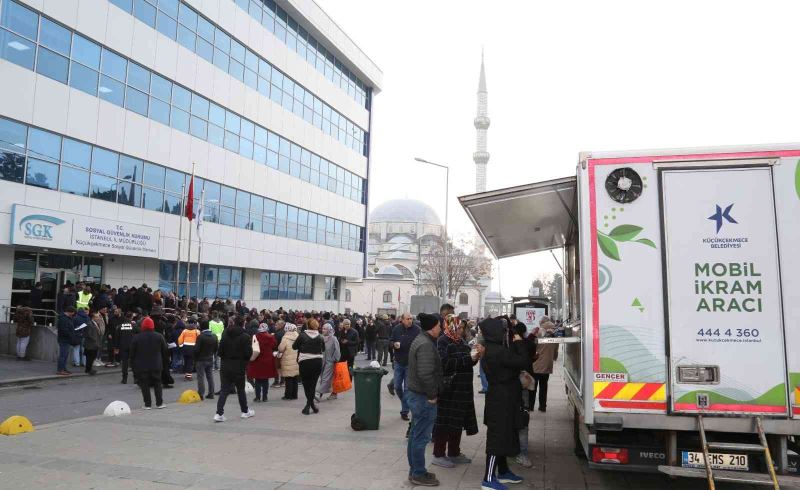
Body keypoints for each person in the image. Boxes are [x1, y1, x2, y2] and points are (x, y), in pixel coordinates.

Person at [480, 316, 528, 489]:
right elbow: (523, 361)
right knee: (496, 438)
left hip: (502, 397)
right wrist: (519, 342)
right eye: (502, 331)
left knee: (504, 435)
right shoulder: (497, 351)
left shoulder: (493, 348)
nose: (505, 333)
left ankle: (504, 471)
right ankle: (488, 479)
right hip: (500, 400)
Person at [431, 314, 483, 468]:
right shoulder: (443, 341)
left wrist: (474, 358)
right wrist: (467, 359)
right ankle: (438, 454)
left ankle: (454, 452)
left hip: (463, 390)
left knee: (457, 422)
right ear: (450, 325)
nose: (461, 330)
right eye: (458, 327)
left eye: (462, 327)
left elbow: (466, 362)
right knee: (444, 423)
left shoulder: (460, 341)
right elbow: (444, 363)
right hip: (450, 390)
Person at [406, 313, 444, 487]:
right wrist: (432, 396)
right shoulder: (426, 344)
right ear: (432, 327)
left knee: (415, 435)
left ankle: (415, 470)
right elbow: (425, 373)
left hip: (417, 394)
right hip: (423, 397)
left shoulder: (421, 339)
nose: (441, 329)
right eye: (439, 326)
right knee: (421, 437)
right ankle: (418, 473)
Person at [214, 317, 255, 422]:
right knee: (240, 390)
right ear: (243, 324)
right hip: (239, 366)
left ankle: (219, 413)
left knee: (224, 390)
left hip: (225, 365)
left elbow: (219, 351)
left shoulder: (225, 334)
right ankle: (245, 411)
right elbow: (248, 353)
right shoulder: (245, 336)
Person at [129, 316, 168, 410]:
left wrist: (133, 364)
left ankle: (147, 404)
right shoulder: (159, 336)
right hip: (156, 364)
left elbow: (132, 353)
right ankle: (159, 403)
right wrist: (164, 362)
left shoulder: (137, 337)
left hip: (141, 365)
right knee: (157, 383)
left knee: (144, 385)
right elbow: (165, 351)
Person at [389, 312, 420, 420]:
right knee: (397, 386)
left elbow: (421, 344)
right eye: (408, 319)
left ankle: (404, 411)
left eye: (411, 318)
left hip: (410, 364)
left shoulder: (417, 330)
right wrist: (394, 344)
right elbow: (391, 341)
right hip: (398, 362)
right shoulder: (397, 328)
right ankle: (405, 403)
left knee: (407, 389)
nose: (410, 320)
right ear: (402, 320)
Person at [293, 318, 325, 414]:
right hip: (317, 362)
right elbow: (323, 349)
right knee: (313, 384)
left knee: (306, 385)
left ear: (307, 326)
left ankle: (308, 406)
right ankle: (312, 406)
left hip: (305, 362)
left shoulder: (302, 335)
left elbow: (294, 346)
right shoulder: (320, 337)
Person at [532, 321, 559, 412]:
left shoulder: (538, 336)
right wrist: (553, 358)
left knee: (533, 387)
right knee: (544, 387)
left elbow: (532, 348)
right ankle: (542, 406)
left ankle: (530, 406)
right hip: (547, 366)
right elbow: (555, 353)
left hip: (536, 365)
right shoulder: (555, 339)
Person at [247, 323, 277, 403]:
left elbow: (252, 347)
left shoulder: (255, 336)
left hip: (258, 360)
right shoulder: (271, 337)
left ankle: (257, 397)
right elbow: (274, 345)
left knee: (258, 379)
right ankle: (265, 397)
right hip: (268, 360)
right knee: (265, 380)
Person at [194, 320, 219, 400]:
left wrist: (195, 356)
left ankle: (201, 394)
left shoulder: (200, 337)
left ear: (201, 327)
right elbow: (216, 349)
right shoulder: (214, 336)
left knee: (200, 377)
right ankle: (211, 393)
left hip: (201, 359)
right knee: (210, 376)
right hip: (210, 358)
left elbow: (196, 350)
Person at [316, 322, 341, 401]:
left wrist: (334, 359)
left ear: (329, 330)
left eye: (325, 329)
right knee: (323, 377)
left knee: (325, 378)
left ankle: (318, 394)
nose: (323, 330)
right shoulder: (320, 337)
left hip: (330, 361)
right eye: (322, 328)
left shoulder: (333, 339)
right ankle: (333, 393)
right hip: (322, 361)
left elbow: (337, 351)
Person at [278, 323, 300, 400]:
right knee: (295, 378)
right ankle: (295, 395)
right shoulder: (298, 336)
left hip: (287, 361)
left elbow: (281, 349)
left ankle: (288, 395)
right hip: (296, 360)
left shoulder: (285, 338)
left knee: (288, 379)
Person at [115, 312, 138, 384]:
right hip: (132, 346)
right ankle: (135, 379)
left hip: (123, 346)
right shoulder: (134, 325)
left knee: (124, 363)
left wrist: (116, 347)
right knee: (133, 362)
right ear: (131, 317)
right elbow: (140, 332)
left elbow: (117, 338)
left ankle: (124, 379)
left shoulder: (120, 326)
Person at [56, 306, 78, 375]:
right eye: (73, 313)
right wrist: (71, 334)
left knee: (65, 355)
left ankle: (64, 368)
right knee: (63, 355)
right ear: (70, 312)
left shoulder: (67, 318)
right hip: (64, 339)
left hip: (66, 339)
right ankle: (60, 370)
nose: (73, 314)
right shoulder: (63, 319)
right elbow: (64, 330)